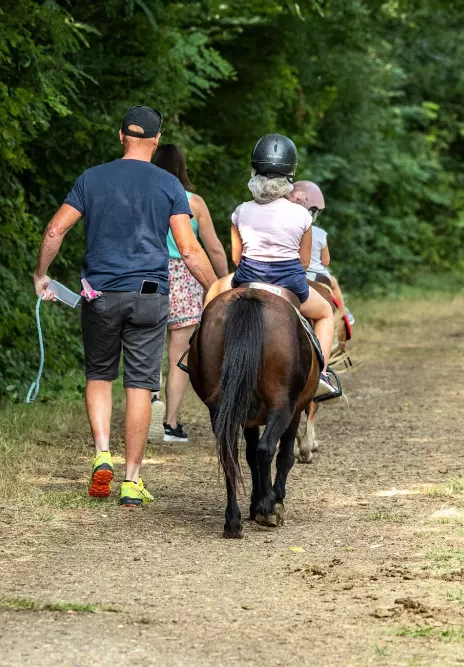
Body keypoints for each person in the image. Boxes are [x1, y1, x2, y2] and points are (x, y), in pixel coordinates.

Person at [33, 106, 218, 508]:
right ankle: (131, 481)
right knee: (140, 384)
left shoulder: (92, 178)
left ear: (121, 136)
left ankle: (102, 454)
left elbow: (55, 228)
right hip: (150, 296)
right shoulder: (169, 184)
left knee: (99, 374)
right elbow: (188, 249)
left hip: (99, 295)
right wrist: (217, 288)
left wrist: (41, 275)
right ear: (155, 140)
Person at [203, 134, 336, 396]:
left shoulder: (241, 210)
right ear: (290, 174)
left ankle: (197, 353)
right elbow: (305, 261)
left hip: (248, 278)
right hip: (289, 282)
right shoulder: (301, 214)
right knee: (326, 314)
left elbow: (236, 258)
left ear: (255, 172)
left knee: (212, 295)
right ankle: (321, 374)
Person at [147, 144, 229, 444]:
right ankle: (169, 424)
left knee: (148, 346)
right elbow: (214, 247)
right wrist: (222, 280)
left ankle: (148, 408)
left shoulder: (146, 196)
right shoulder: (193, 202)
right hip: (185, 276)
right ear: (183, 168)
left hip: (150, 274)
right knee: (179, 353)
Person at [288, 181, 353, 325]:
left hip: (286, 272)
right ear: (313, 210)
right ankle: (344, 313)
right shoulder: (319, 233)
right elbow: (326, 261)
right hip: (313, 275)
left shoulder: (283, 228)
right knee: (334, 283)